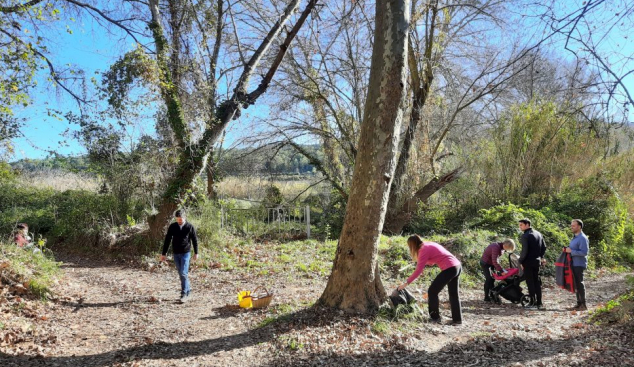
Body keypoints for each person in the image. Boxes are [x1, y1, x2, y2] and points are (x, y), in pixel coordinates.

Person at [398, 234, 462, 325]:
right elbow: (432, 262)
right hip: (457, 266)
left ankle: (435, 318)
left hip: (450, 268)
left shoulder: (423, 250)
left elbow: (418, 270)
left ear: (412, 245)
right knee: (453, 294)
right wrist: (422, 262)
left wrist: (406, 283)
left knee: (432, 291)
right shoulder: (428, 244)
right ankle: (457, 320)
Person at [161, 210, 199, 303]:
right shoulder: (173, 227)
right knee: (182, 274)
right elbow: (167, 240)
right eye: (177, 219)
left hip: (186, 253)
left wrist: (196, 253)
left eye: (181, 219)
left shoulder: (190, 227)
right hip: (176, 253)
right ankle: (188, 290)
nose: (179, 221)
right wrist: (163, 253)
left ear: (184, 217)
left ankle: (184, 294)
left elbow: (194, 240)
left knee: (183, 273)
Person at [518, 218, 547, 310]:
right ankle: (539, 302)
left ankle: (532, 302)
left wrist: (520, 261)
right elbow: (544, 247)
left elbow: (524, 250)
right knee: (536, 282)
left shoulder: (525, 236)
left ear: (527, 225)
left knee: (530, 282)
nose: (520, 227)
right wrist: (541, 257)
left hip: (528, 262)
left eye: (521, 225)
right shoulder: (538, 233)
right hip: (537, 261)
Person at [566, 219, 589, 310]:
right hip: (573, 263)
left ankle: (583, 304)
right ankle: (579, 303)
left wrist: (571, 251)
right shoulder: (575, 237)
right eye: (571, 225)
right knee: (576, 283)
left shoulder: (583, 238)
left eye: (573, 226)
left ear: (579, 226)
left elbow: (584, 252)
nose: (571, 227)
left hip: (579, 264)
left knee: (579, 283)